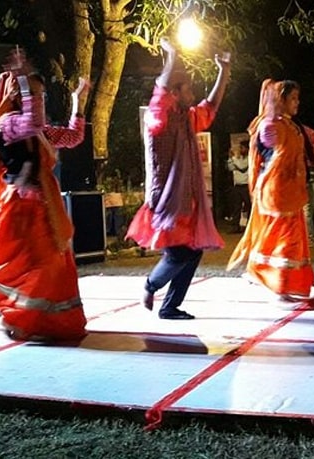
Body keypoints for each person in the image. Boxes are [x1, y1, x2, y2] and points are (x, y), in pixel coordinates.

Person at [0, 49, 91, 341]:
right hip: (22, 210)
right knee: (34, 266)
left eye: (41, 95)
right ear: (16, 96)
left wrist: (78, 100)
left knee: (54, 266)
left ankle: (40, 321)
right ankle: (17, 316)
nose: (39, 100)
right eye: (34, 94)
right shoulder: (9, 124)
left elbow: (73, 137)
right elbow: (31, 123)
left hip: (46, 207)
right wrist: (24, 81)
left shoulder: (40, 132)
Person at [125, 37, 230, 320]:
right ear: (174, 92)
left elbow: (211, 106)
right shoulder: (158, 118)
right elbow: (161, 88)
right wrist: (172, 55)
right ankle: (150, 286)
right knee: (180, 255)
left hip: (185, 202)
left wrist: (225, 70)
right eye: (187, 89)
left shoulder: (187, 117)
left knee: (192, 251)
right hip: (166, 202)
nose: (193, 93)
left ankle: (170, 306)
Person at [227, 79, 314, 300]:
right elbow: (270, 140)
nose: (297, 103)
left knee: (285, 240)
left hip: (293, 193)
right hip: (275, 193)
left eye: (298, 98)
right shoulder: (268, 125)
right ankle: (276, 284)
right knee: (284, 240)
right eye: (293, 98)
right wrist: (271, 113)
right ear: (280, 100)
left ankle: (269, 277)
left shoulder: (295, 126)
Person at [226, 139, 251, 233]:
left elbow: (242, 168)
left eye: (242, 148)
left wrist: (233, 159)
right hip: (237, 186)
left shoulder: (249, 158)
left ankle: (249, 226)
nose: (240, 149)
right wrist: (231, 159)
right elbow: (230, 168)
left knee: (249, 206)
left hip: (246, 186)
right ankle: (235, 227)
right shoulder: (237, 158)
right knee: (236, 207)